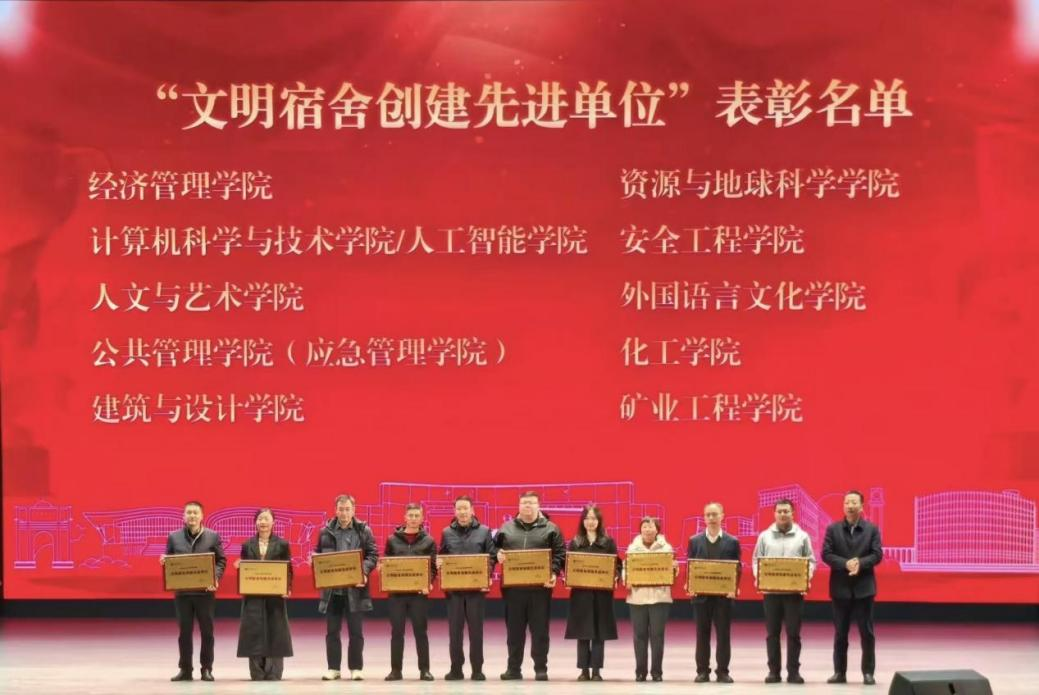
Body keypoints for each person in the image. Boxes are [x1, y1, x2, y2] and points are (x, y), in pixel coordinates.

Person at [494, 490, 566, 681]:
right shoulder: (506, 528)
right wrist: (497, 554)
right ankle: (513, 669)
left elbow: (560, 554)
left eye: (532, 503)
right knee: (514, 633)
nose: (527, 506)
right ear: (519, 506)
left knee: (540, 632)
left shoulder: (551, 528)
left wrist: (553, 573)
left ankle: (541, 668)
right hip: (513, 590)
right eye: (524, 502)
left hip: (539, 590)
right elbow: (493, 548)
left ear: (538, 506)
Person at [161, 500, 227, 682]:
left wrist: (215, 578)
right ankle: (185, 670)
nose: (192, 516)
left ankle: (206, 669)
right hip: (182, 594)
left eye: (195, 512)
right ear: (183, 516)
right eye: (189, 512)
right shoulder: (174, 537)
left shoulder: (213, 536)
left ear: (202, 516)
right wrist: (165, 562)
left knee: (207, 633)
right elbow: (169, 560)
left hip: (205, 593)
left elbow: (221, 560)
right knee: (184, 634)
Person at [753, 498, 816, 685]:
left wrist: (805, 578)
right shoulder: (764, 536)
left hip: (794, 594)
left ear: (792, 513)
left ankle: (794, 672)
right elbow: (756, 560)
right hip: (771, 593)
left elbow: (811, 561)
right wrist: (760, 577)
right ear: (774, 514)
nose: (783, 514)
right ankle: (773, 672)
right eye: (779, 511)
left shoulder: (802, 536)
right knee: (772, 634)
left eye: (786, 511)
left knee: (794, 634)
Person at [822, 490, 883, 686]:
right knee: (840, 634)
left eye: (854, 502)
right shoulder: (833, 529)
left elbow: (877, 554)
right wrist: (845, 564)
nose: (850, 505)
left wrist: (860, 563)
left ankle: (868, 673)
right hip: (840, 589)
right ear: (843, 506)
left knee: (867, 633)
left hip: (864, 589)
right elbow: (826, 554)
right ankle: (839, 672)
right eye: (847, 502)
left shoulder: (871, 529)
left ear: (861, 506)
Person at [316, 494, 379, 681]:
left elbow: (373, 555)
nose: (344, 513)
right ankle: (333, 668)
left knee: (356, 632)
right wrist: (316, 562)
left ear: (354, 510)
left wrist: (364, 572)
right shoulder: (325, 531)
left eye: (347, 509)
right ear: (335, 510)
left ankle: (356, 668)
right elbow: (318, 554)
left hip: (355, 590)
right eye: (341, 509)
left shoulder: (364, 530)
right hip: (333, 591)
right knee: (332, 632)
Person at [437, 495, 496, 681]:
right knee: (455, 633)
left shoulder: (484, 531)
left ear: (472, 511)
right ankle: (456, 669)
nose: (462, 512)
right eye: (459, 509)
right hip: (454, 591)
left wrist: (486, 574)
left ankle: (477, 669)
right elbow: (442, 556)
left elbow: (491, 557)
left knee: (476, 632)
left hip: (475, 591)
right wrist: (439, 563)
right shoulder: (446, 532)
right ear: (455, 511)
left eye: (466, 508)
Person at [235, 507, 293, 680]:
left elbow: (288, 569)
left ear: (273, 522)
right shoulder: (247, 544)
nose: (263, 522)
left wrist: (287, 587)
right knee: (254, 631)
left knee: (275, 631)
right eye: (260, 519)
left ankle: (274, 671)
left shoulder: (282, 544)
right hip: (253, 595)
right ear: (255, 522)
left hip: (275, 596)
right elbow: (245, 568)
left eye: (266, 518)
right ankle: (257, 671)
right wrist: (240, 567)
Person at [382, 503, 438, 681]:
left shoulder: (429, 541)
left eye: (416, 516)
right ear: (405, 517)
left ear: (422, 518)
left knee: (421, 632)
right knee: (397, 632)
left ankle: (425, 670)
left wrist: (428, 582)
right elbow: (386, 562)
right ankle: (395, 670)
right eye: (411, 515)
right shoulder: (392, 539)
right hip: (396, 594)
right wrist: (382, 568)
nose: (413, 519)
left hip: (419, 594)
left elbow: (433, 568)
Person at [564, 504, 620, 681]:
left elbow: (617, 565)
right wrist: (568, 577)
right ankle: (584, 670)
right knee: (582, 633)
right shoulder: (575, 542)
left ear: (599, 521)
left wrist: (616, 575)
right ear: (582, 521)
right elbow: (568, 566)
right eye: (587, 518)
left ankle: (596, 670)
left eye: (594, 518)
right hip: (581, 595)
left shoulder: (608, 542)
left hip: (601, 595)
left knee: (599, 633)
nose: (590, 522)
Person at [687, 502, 742, 683]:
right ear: (704, 518)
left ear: (722, 516)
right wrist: (690, 584)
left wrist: (734, 587)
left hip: (723, 598)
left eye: (714, 514)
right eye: (708, 515)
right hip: (701, 597)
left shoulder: (732, 541)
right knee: (702, 635)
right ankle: (702, 671)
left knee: (723, 635)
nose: (711, 518)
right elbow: (691, 566)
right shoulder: (694, 541)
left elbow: (737, 567)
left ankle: (723, 672)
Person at [625, 516, 676, 682]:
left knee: (657, 636)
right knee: (639, 636)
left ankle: (657, 672)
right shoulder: (632, 548)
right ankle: (640, 672)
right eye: (644, 527)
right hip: (637, 598)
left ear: (657, 530)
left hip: (659, 598)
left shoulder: (666, 548)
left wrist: (674, 569)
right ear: (640, 530)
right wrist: (627, 579)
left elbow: (672, 573)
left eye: (651, 527)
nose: (647, 530)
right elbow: (626, 568)